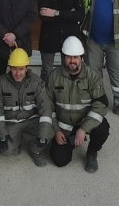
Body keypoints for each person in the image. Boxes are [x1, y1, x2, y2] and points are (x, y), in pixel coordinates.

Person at [47, 36, 109, 173]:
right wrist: (56, 130)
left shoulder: (92, 76)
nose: (72, 61)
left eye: (75, 57)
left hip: (84, 122)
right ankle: (71, 140)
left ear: (81, 57)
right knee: (59, 161)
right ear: (63, 57)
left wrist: (84, 128)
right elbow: (47, 106)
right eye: (69, 57)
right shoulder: (54, 76)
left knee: (102, 128)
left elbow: (102, 104)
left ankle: (92, 152)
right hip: (63, 126)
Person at [0, 48, 53, 167]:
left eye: (21, 69)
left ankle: (34, 149)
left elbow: (46, 108)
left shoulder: (36, 82)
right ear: (9, 67)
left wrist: (43, 134)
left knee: (49, 133)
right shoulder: (1, 82)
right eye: (14, 69)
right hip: (12, 123)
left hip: (32, 121)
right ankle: (16, 142)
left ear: (27, 67)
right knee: (6, 150)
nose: (17, 73)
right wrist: (2, 134)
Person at [37, 0, 84, 84]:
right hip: (49, 35)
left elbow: (80, 15)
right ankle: (45, 97)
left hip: (70, 36)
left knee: (69, 69)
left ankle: (66, 96)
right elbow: (44, 16)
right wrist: (69, 13)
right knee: (47, 70)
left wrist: (56, 13)